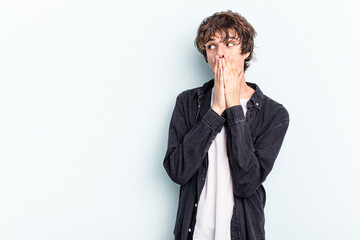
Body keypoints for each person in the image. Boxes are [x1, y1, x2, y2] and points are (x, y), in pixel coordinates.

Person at [163, 10, 290, 240]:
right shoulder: (187, 102)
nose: (219, 53)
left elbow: (246, 182)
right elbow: (177, 171)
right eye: (211, 46)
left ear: (246, 51)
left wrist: (233, 107)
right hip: (193, 233)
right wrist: (216, 110)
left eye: (229, 43)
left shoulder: (274, 115)